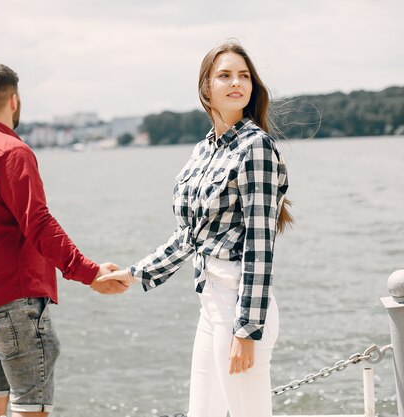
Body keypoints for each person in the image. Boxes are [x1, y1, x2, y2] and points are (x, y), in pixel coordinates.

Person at [98, 40, 292, 417]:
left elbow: (260, 245)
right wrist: (132, 274)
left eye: (244, 76)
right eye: (225, 75)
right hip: (211, 305)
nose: (236, 82)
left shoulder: (257, 148)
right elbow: (189, 236)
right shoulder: (205, 150)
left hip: (240, 306)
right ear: (206, 87)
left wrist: (246, 331)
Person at [0, 63, 128, 417]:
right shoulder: (12, 151)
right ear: (14, 101)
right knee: (32, 406)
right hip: (15, 301)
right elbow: (39, 223)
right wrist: (89, 272)